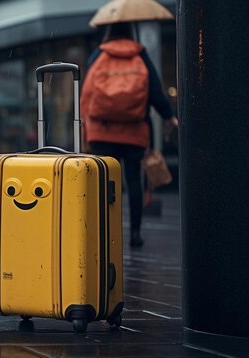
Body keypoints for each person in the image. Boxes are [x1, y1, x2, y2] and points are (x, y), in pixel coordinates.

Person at [81, 22, 178, 248]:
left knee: (103, 182)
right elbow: (155, 91)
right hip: (133, 131)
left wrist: (85, 128)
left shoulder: (98, 55)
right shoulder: (139, 54)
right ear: (130, 32)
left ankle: (103, 231)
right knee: (134, 181)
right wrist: (168, 115)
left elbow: (86, 95)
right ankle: (135, 232)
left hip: (102, 132)